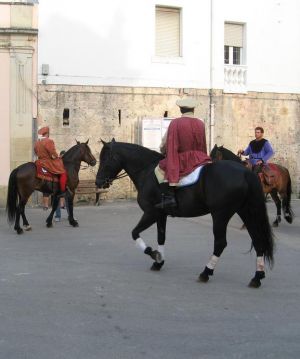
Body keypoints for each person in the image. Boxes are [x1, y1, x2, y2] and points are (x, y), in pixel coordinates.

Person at [155, 98, 211, 209]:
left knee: (159, 169)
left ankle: (170, 198)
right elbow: (203, 143)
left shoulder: (175, 123)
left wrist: (163, 150)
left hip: (182, 159)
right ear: (193, 110)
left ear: (181, 109)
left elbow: (166, 143)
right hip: (199, 158)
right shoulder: (200, 123)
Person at [34, 126, 67, 197]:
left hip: (39, 161)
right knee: (63, 173)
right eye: (48, 133)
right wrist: (57, 156)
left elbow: (36, 152)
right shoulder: (49, 141)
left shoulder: (37, 142)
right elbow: (52, 152)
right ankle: (62, 191)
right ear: (47, 133)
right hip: (48, 162)